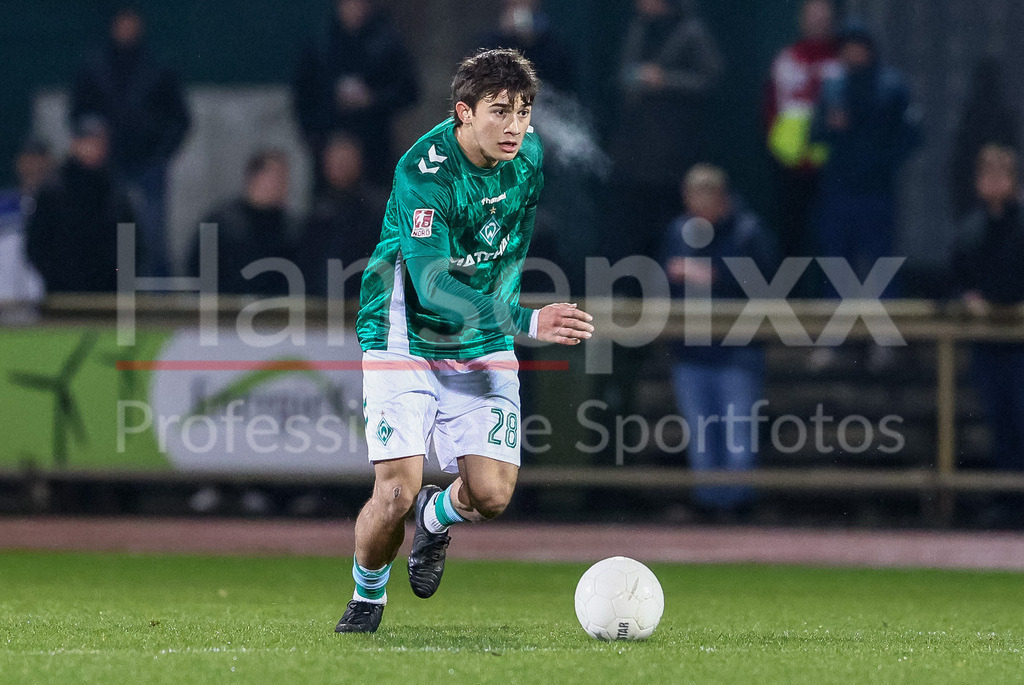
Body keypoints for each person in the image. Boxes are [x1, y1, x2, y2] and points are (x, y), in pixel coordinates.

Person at [334, 49, 594, 634]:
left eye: (524, 111)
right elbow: (430, 283)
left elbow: (505, 250)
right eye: (500, 111)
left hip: (480, 333)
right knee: (395, 491)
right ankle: (367, 596)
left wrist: (498, 319)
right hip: (404, 329)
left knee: (493, 495)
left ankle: (438, 515)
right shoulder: (423, 172)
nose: (516, 126)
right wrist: (524, 322)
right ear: (463, 112)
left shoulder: (528, 157)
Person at [661, 164, 779, 519]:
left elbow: (764, 283)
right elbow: (664, 278)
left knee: (737, 439)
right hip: (691, 352)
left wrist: (712, 273)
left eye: (701, 197)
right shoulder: (680, 230)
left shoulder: (748, 231)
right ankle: (710, 509)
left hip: (737, 353)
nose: (694, 205)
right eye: (690, 198)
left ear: (720, 197)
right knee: (701, 439)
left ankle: (738, 508)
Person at [70, 4, 191, 278]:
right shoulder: (94, 67)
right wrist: (93, 150)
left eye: (131, 20)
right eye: (122, 21)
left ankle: (159, 302)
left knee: (152, 236)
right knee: (109, 234)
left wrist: (160, 154)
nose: (127, 27)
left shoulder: (159, 67)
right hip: (106, 170)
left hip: (149, 166)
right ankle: (111, 291)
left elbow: (180, 119)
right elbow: (79, 115)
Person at [810, 21, 920, 300]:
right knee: (836, 264)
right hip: (838, 190)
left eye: (858, 46)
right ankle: (835, 336)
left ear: (870, 49)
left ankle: (883, 337)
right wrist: (829, 126)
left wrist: (881, 161)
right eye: (847, 47)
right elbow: (815, 133)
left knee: (881, 264)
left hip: (877, 191)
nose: (853, 53)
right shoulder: (833, 87)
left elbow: (912, 136)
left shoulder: (892, 87)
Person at [608, 0, 722, 264]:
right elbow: (624, 75)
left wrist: (665, 80)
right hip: (636, 159)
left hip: (674, 160)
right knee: (633, 233)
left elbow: (709, 80)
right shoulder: (638, 29)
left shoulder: (691, 31)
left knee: (671, 234)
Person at [950, 145, 1024, 525]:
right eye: (988, 175)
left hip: (1021, 345)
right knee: (1001, 425)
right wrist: (968, 298)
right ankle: (1009, 505)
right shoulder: (970, 230)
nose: (995, 182)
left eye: (1002, 175)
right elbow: (954, 280)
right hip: (988, 345)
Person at [292, 0, 419, 186]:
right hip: (329, 145)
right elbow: (303, 96)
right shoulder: (320, 45)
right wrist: (317, 139)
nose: (354, 9)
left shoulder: (387, 44)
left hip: (374, 146)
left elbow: (409, 90)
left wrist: (372, 99)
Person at [763, 0, 840, 294]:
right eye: (812, 16)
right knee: (790, 245)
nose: (818, 22)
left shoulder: (841, 61)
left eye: (824, 17)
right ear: (801, 19)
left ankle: (831, 326)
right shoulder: (786, 59)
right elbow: (769, 109)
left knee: (830, 246)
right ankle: (788, 322)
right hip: (789, 168)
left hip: (830, 169)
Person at [26, 117, 135, 294]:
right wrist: (57, 280)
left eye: (97, 141)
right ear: (74, 143)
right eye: (86, 141)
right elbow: (37, 245)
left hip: (109, 297)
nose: (91, 148)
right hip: (62, 297)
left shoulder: (117, 193)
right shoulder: (52, 192)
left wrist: (117, 279)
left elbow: (131, 246)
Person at [187, 150, 296, 296]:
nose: (282, 185)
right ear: (254, 177)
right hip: (226, 312)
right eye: (276, 178)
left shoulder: (291, 230)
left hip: (275, 313)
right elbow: (199, 274)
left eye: (284, 179)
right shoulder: (222, 224)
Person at [298, 133, 388, 297]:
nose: (342, 166)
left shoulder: (376, 209)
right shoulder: (311, 211)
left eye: (347, 160)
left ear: (359, 161)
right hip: (316, 306)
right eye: (336, 161)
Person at [949, 58, 1021, 221]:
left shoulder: (1004, 118)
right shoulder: (971, 119)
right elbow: (960, 165)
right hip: (970, 205)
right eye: (987, 170)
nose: (993, 178)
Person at [478, 0, 576, 95]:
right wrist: (506, 38)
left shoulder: (553, 42)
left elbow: (559, 80)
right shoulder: (492, 40)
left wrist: (530, 41)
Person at [0, 139, 50, 302]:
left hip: (44, 294)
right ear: (19, 162)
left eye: (39, 159)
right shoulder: (5, 205)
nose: (33, 166)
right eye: (29, 159)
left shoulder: (58, 206)